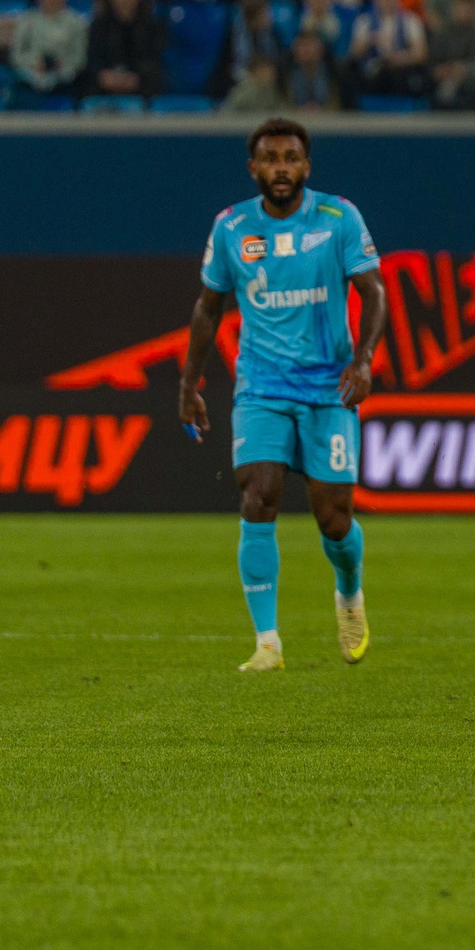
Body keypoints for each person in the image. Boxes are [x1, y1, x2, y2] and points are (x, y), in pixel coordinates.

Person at [179, 118, 389, 672]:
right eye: (269, 158)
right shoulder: (231, 227)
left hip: (328, 386)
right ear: (253, 168)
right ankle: (267, 642)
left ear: (306, 166)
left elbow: (374, 291)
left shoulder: (338, 218)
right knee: (258, 494)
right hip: (261, 387)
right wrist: (188, 384)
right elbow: (208, 307)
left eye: (290, 158)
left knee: (333, 517)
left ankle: (348, 592)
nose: (280, 168)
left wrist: (363, 360)